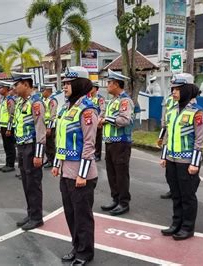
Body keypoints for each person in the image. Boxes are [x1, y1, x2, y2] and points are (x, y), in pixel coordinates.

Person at [52, 66, 98, 266]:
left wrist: (82, 174)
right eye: (64, 83)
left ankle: (85, 252)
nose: (65, 87)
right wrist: (56, 164)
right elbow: (60, 139)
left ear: (78, 84)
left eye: (68, 83)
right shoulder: (66, 107)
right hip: (66, 171)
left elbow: (89, 144)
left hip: (82, 174)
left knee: (82, 216)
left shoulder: (87, 109)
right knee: (70, 213)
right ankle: (76, 246)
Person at [159, 73, 203, 241]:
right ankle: (176, 223)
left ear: (186, 90)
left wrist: (194, 164)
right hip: (171, 160)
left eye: (177, 89)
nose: (174, 92)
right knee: (176, 195)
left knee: (187, 196)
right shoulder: (172, 112)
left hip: (187, 162)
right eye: (173, 89)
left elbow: (199, 141)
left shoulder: (197, 112)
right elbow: (167, 136)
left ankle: (187, 227)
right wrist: (164, 156)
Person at [12, 72, 46, 231]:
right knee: (26, 181)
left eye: (16, 84)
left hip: (32, 147)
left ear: (25, 84)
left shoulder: (36, 103)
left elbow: (40, 130)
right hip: (22, 146)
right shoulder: (21, 102)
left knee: (33, 182)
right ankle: (31, 212)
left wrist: (39, 154)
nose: (14, 88)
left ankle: (37, 217)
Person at [99, 69, 134, 216]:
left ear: (116, 84)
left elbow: (125, 120)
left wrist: (107, 120)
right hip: (110, 143)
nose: (107, 86)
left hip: (121, 143)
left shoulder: (125, 101)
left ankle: (123, 202)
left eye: (109, 83)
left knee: (121, 174)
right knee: (112, 173)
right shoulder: (112, 101)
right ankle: (115, 199)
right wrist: (101, 121)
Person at [157, 89, 177, 200]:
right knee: (168, 169)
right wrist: (160, 136)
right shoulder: (169, 100)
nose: (174, 91)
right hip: (168, 135)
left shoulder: (187, 102)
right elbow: (165, 120)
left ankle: (178, 191)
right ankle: (172, 189)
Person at [0, 80, 17, 173]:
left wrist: (9, 128)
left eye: (1, 87)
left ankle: (10, 164)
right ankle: (7, 163)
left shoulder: (10, 99)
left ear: (6, 89)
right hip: (3, 126)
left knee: (10, 146)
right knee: (6, 146)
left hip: (8, 127)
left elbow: (11, 115)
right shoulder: (4, 99)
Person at [41, 83, 58, 169]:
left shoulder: (52, 100)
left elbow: (52, 115)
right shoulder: (44, 100)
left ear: (48, 91)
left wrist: (49, 128)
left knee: (50, 144)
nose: (42, 92)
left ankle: (52, 161)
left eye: (43, 90)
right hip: (45, 125)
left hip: (50, 126)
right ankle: (49, 159)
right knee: (47, 144)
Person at [89, 81, 105, 161]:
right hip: (89, 123)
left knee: (98, 139)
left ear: (95, 88)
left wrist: (99, 119)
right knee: (91, 139)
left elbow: (103, 110)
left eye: (91, 87)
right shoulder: (89, 99)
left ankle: (97, 155)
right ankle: (92, 153)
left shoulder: (100, 98)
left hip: (97, 122)